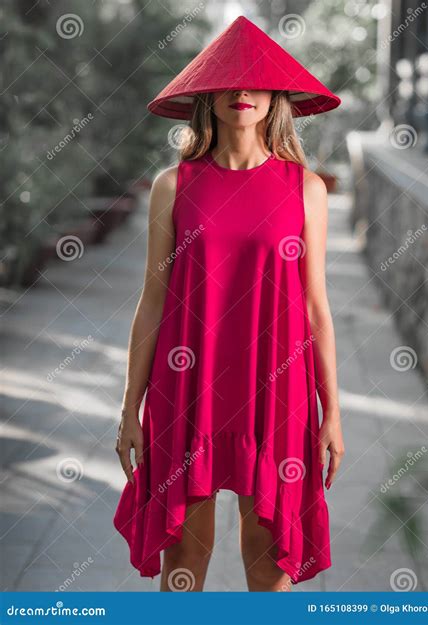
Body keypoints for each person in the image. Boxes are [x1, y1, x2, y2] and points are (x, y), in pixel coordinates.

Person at [114, 15, 345, 592]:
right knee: (182, 574)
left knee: (270, 577)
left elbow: (317, 307)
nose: (242, 93)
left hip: (277, 388)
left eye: (256, 83)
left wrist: (332, 411)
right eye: (228, 83)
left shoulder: (306, 188)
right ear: (207, 96)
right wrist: (129, 410)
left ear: (276, 98)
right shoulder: (174, 185)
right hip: (185, 387)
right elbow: (153, 300)